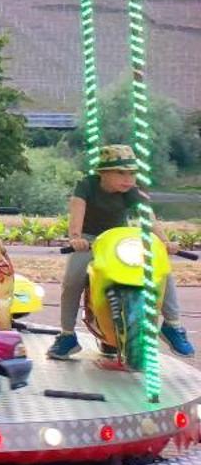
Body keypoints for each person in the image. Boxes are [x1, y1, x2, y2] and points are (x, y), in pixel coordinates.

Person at [52, 143, 193, 359]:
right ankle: (67, 335)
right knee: (72, 280)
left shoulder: (131, 192)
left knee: (161, 268)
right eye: (120, 173)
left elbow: (147, 216)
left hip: (120, 238)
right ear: (103, 173)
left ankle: (172, 325)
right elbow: (77, 208)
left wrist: (164, 241)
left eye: (132, 174)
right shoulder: (87, 186)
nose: (128, 179)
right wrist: (75, 237)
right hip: (90, 240)